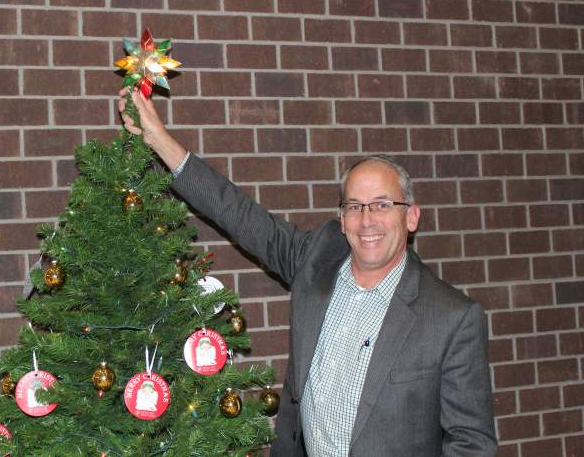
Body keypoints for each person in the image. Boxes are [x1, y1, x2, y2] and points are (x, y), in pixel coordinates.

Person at [118, 88, 497, 456]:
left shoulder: (451, 318)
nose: (368, 221)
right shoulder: (315, 262)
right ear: (342, 220)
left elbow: (472, 444)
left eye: (382, 205)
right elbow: (238, 213)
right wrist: (160, 140)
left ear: (411, 216)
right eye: (355, 206)